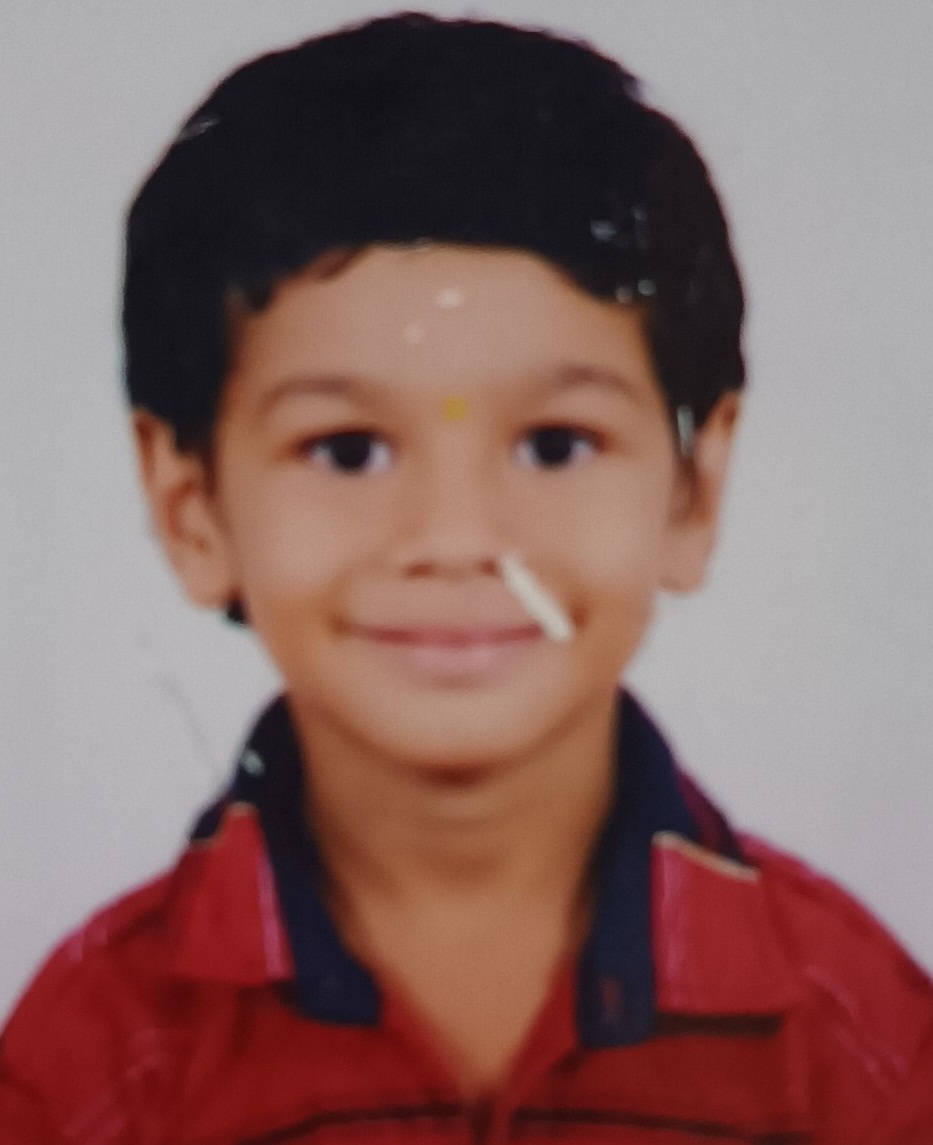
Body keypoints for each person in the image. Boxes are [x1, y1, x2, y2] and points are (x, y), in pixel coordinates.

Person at [2, 12, 931, 1143]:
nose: (456, 537)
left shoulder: (856, 1042)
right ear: (190, 506)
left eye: (554, 444)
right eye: (348, 450)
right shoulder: (96, 1061)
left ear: (693, 489)